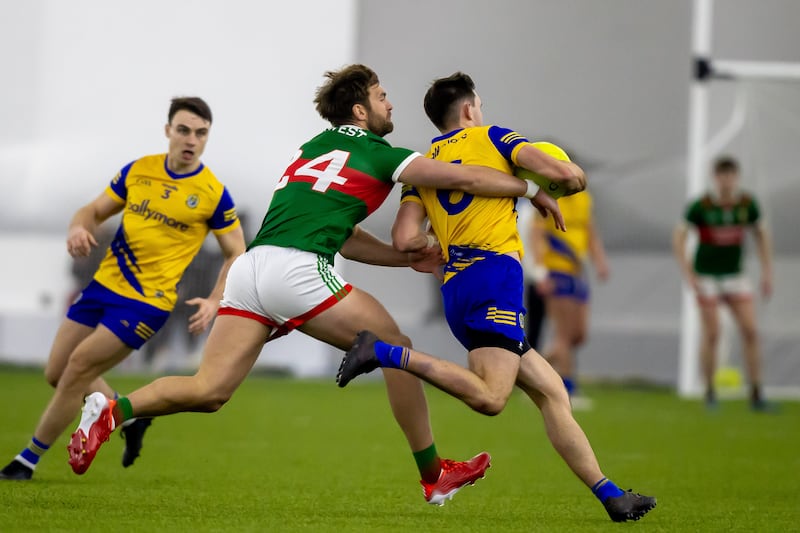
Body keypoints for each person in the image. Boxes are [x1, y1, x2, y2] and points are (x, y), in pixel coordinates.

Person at [67, 64, 582, 505]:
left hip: (252, 268)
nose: (389, 103)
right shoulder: (382, 154)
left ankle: (112, 410)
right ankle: (433, 475)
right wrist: (529, 188)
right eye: (381, 96)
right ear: (360, 110)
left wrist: (405, 259)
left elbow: (348, 238)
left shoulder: (312, 148)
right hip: (296, 270)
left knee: (209, 391)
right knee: (393, 345)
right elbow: (464, 177)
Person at [338, 72, 656, 522]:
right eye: (480, 106)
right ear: (470, 109)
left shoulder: (423, 166)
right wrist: (564, 180)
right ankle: (383, 352)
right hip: (494, 277)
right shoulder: (494, 137)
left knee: (552, 392)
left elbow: (404, 237)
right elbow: (565, 175)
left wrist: (442, 240)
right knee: (491, 398)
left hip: (456, 286)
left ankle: (612, 497)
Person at [0, 97, 247, 481]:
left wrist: (216, 300)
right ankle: (128, 417)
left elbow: (236, 252)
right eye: (184, 130)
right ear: (168, 131)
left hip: (146, 303)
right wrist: (78, 227)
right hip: (103, 287)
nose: (191, 140)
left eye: (201, 133)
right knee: (57, 371)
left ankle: (26, 461)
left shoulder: (212, 192)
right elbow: (93, 210)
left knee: (77, 369)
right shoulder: (139, 171)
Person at [672, 156, 774, 411]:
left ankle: (756, 392)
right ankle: (709, 391)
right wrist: (688, 273)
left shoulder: (747, 204)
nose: (726, 181)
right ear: (715, 178)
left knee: (751, 331)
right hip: (707, 277)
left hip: (735, 276)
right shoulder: (702, 206)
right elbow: (679, 237)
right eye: (722, 176)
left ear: (736, 177)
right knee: (713, 333)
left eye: (730, 176)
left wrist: (767, 271)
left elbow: (761, 234)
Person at [529, 185, 609, 408]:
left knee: (578, 335)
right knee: (563, 335)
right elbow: (536, 236)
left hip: (577, 272)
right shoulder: (548, 198)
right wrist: (540, 272)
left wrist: (599, 261)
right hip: (556, 272)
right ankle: (568, 390)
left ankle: (529, 373)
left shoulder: (584, 199)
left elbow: (590, 232)